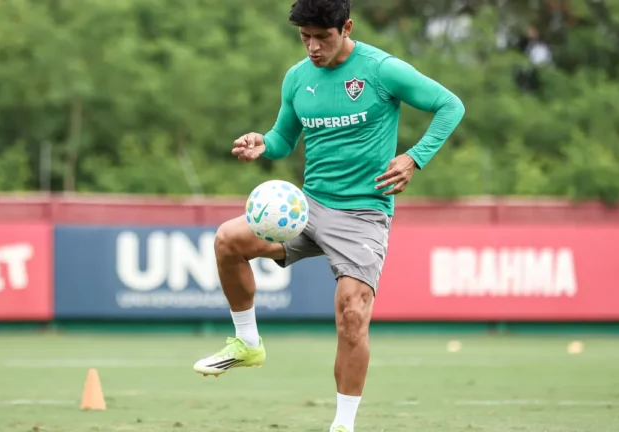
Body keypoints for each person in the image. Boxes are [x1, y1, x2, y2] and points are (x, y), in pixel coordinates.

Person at [193, 0, 465, 430]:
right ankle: (247, 343)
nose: (313, 48)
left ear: (346, 27)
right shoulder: (298, 78)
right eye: (306, 39)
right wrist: (263, 144)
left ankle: (343, 425)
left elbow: (451, 106)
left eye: (323, 37)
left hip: (362, 213)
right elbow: (284, 136)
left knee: (351, 313)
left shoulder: (382, 70)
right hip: (308, 207)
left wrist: (414, 158)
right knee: (228, 239)